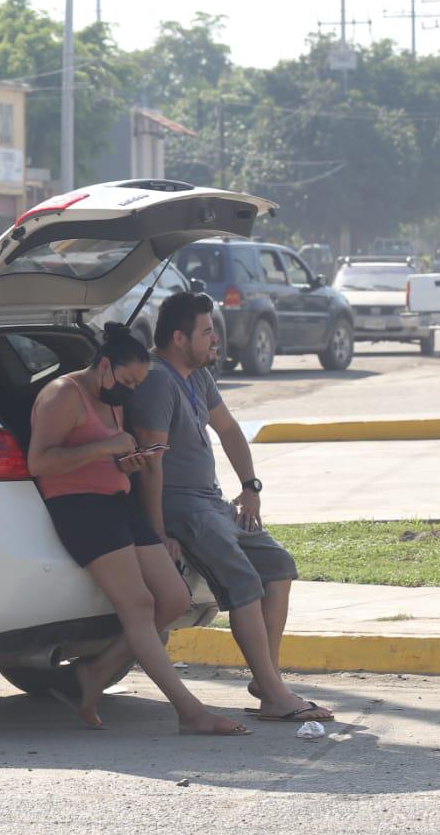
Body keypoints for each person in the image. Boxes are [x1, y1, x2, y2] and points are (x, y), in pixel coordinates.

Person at [26, 322, 249, 735]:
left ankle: (91, 676)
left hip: (119, 502)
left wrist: (127, 462)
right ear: (104, 366)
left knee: (173, 598)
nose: (130, 391)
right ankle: (190, 712)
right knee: (139, 605)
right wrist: (105, 448)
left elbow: (105, 452)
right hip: (81, 507)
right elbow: (39, 463)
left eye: (138, 383)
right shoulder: (63, 395)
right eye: (128, 381)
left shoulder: (112, 396)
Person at [126, 292, 333, 724]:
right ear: (179, 337)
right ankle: (276, 696)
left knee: (278, 566)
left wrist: (250, 486)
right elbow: (151, 464)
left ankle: (266, 679)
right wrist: (158, 531)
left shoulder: (198, 375)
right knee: (243, 581)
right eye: (206, 332)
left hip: (213, 503)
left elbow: (229, 429)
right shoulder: (158, 381)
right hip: (182, 506)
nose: (215, 339)